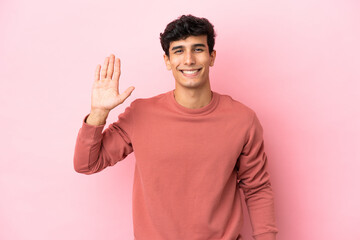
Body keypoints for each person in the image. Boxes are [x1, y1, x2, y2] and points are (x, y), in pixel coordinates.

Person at [74, 14, 278, 240]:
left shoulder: (243, 119)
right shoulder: (140, 114)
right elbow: (87, 164)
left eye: (198, 49)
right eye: (179, 51)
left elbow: (257, 188)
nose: (189, 60)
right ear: (167, 61)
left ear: (212, 57)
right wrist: (99, 113)